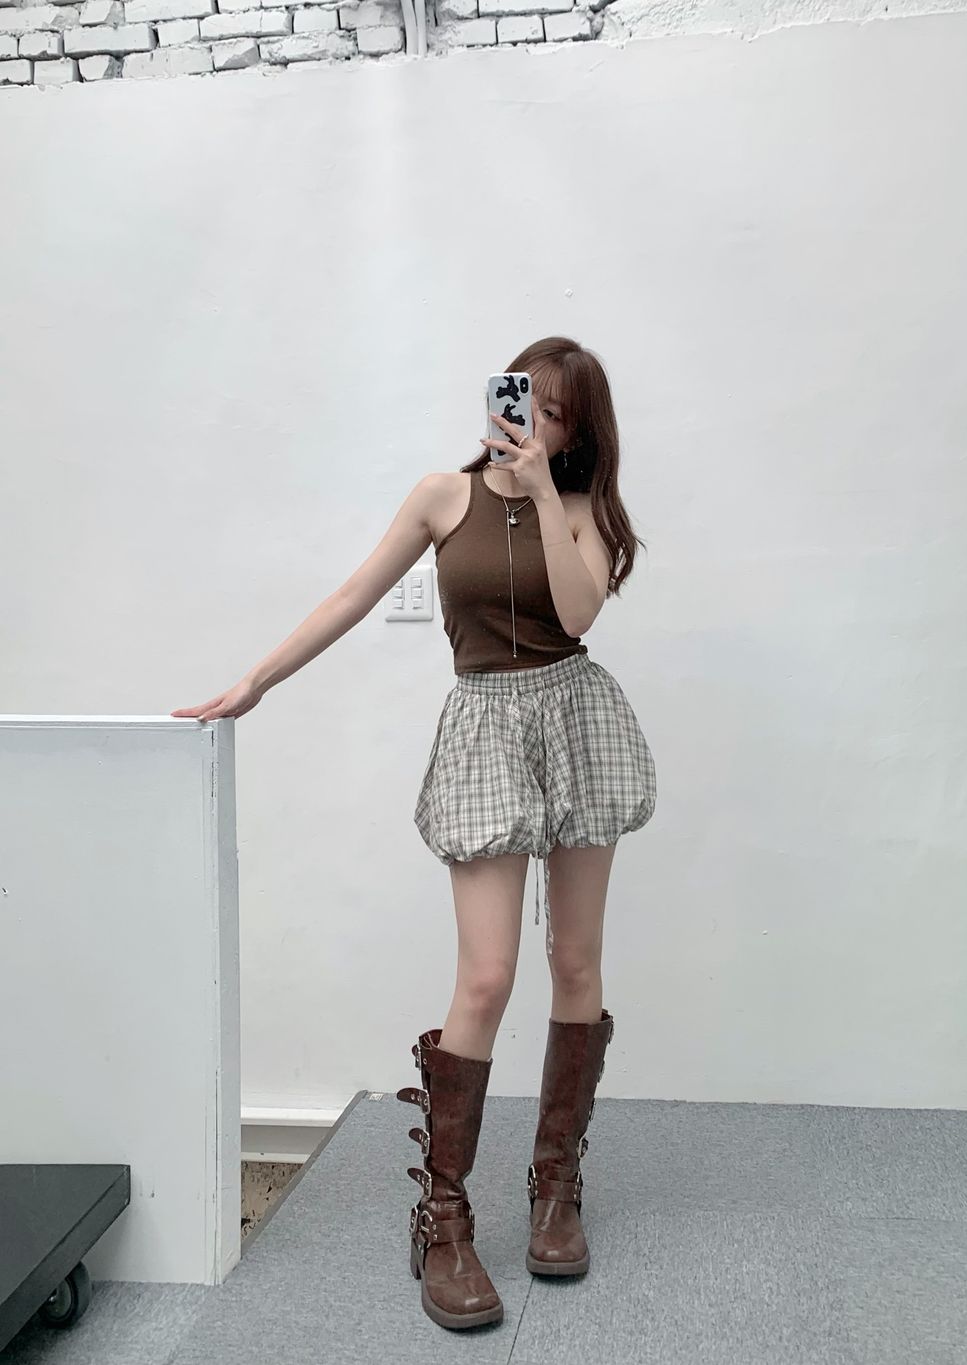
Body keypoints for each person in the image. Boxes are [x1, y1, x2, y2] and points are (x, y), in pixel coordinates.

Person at [170, 335, 657, 1333]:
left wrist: (548, 492)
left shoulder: (586, 511)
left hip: (577, 721)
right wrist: (256, 680)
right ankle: (443, 1217)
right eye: (528, 399)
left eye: (559, 413)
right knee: (486, 978)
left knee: (575, 962)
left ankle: (556, 1191)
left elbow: (575, 617)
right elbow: (353, 595)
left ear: (580, 430)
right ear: (501, 397)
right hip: (485, 729)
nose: (536, 422)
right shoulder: (444, 495)